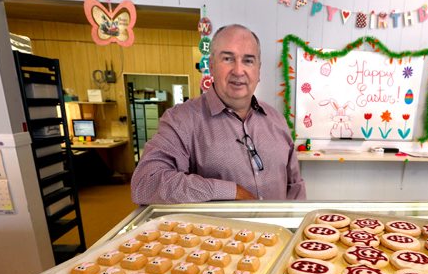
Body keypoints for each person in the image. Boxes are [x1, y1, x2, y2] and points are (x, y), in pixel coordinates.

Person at [130, 24, 306, 204]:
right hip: (219, 233)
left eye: (248, 60)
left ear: (258, 71)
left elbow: (295, 186)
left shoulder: (277, 120)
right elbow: (145, 184)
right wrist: (230, 190)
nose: (238, 71)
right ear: (212, 66)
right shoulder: (180, 120)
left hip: (278, 231)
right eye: (228, 59)